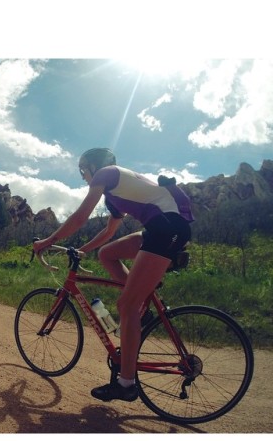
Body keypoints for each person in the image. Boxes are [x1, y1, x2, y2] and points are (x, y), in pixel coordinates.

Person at [33, 148, 194, 402]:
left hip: (168, 228)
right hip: (160, 228)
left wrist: (48, 240)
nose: (84, 177)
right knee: (107, 254)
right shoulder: (114, 193)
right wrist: (81, 251)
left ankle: (126, 383)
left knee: (125, 305)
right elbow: (108, 233)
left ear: (91, 167)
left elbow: (81, 216)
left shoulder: (105, 175)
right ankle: (141, 304)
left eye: (83, 171)